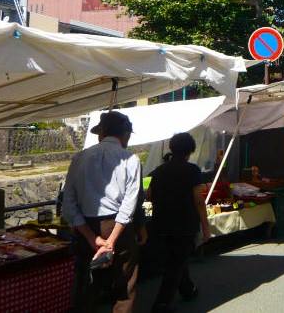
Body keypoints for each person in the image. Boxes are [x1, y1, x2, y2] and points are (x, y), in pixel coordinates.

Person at [62, 111, 142, 313]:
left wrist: (91, 238)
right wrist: (111, 241)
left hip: (86, 227)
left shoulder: (80, 157)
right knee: (125, 284)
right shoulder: (131, 159)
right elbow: (128, 206)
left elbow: (69, 205)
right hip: (118, 228)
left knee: (87, 285)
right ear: (125, 135)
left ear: (102, 133)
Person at [147, 133, 210, 312]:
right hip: (184, 223)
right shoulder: (192, 170)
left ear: (171, 149)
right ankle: (161, 303)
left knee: (174, 260)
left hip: (161, 223)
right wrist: (205, 227)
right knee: (175, 264)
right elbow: (199, 200)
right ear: (190, 150)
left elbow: (149, 195)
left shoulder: (159, 171)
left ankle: (188, 290)